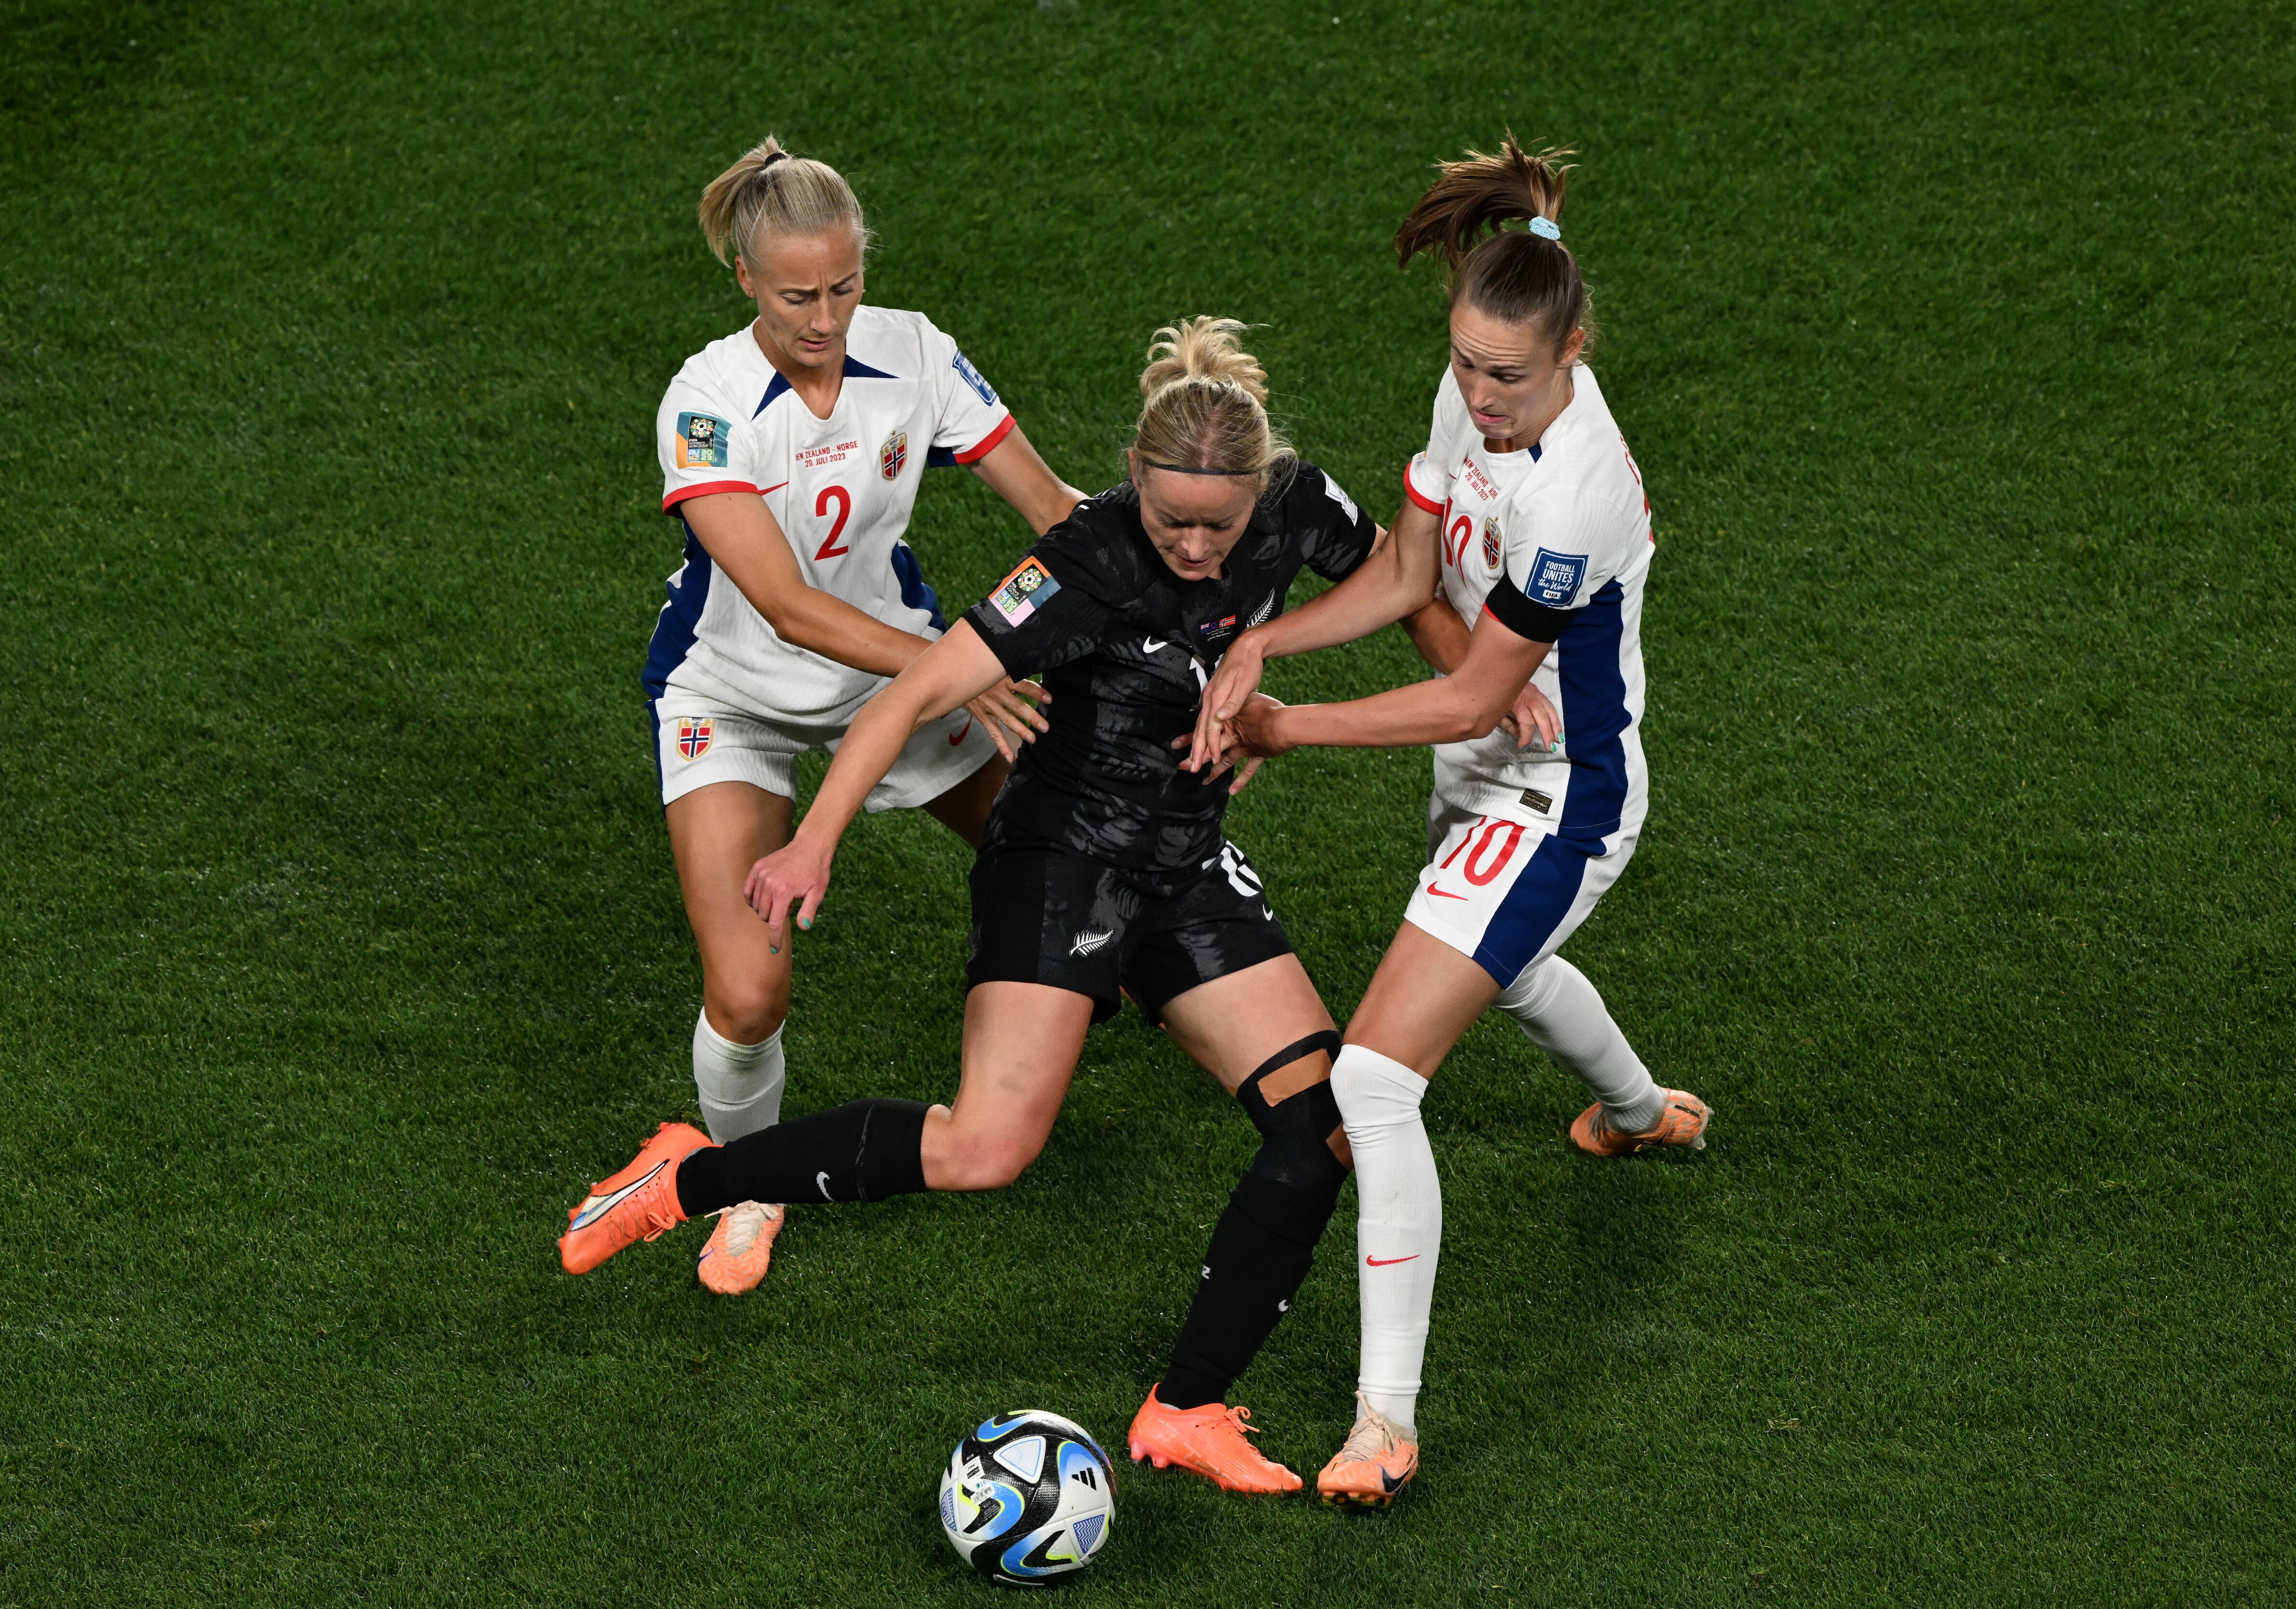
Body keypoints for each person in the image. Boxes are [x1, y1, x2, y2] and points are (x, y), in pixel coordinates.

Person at [567, 318, 1383, 1497]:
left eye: (1224, 521)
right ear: (1134, 488)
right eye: (1173, 521)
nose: (1201, 547)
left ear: (1262, 487)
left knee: (1325, 1127)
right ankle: (688, 1177)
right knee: (982, 1149)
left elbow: (1413, 572)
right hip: (1061, 863)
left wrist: (1481, 684)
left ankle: (1185, 1407)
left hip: (1185, 858)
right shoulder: (1083, 559)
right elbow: (912, 699)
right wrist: (811, 841)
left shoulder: (1299, 506)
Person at [1184, 137, 1712, 1506]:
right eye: (1467, 363)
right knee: (1508, 967)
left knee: (1373, 1077)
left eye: (1508, 375)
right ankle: (1642, 1110)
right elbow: (1410, 569)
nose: (1479, 395)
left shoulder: (1578, 489)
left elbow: (1480, 682)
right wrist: (1268, 650)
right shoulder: (1466, 402)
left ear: (1575, 351)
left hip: (1562, 793)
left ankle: (1384, 1424)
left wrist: (1287, 727)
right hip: (1485, 773)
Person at [642, 137, 1085, 1298]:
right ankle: (747, 1184)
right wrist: (963, 660)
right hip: (736, 698)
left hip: (904, 673)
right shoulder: (704, 404)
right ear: (744, 277)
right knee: (747, 991)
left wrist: (1164, 570)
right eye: (797, 295)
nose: (826, 317)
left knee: (1082, 859)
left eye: (844, 287)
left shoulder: (916, 350)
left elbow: (1052, 510)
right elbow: (785, 607)